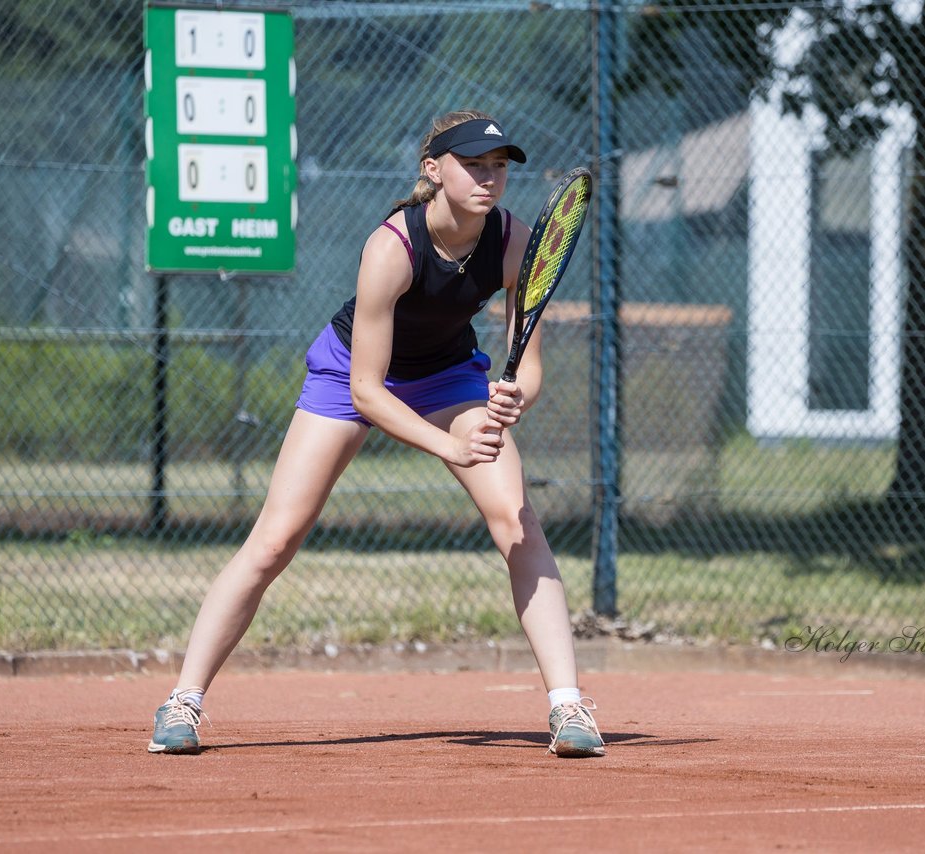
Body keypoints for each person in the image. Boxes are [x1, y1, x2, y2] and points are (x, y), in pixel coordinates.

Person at [147, 110, 605, 759]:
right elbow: (368, 389)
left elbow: (527, 362)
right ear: (432, 170)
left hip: (450, 376)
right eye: (473, 164)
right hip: (351, 376)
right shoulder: (391, 247)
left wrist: (514, 399)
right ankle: (183, 703)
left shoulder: (514, 241)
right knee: (276, 538)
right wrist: (449, 446)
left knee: (518, 523)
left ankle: (569, 708)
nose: (489, 177)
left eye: (499, 166)